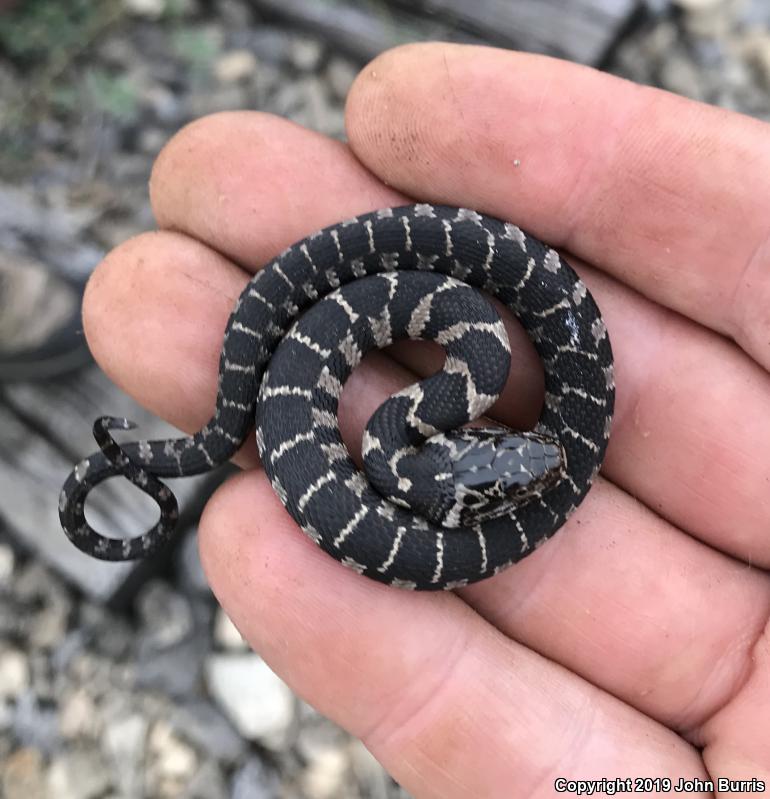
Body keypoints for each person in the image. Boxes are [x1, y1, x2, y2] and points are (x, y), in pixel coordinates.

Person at [82, 43, 770, 794]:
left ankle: (196, 442)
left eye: (504, 471)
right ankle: (202, 439)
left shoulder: (437, 402)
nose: (533, 460)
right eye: (506, 459)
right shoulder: (448, 384)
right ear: (466, 433)